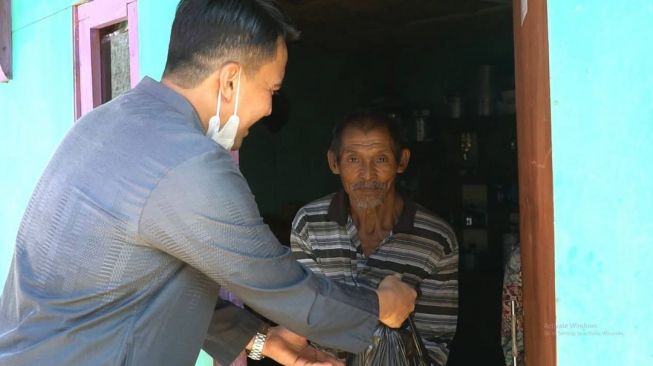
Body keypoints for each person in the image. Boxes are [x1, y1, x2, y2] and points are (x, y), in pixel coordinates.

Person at [0, 1, 417, 365]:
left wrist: (261, 339)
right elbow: (282, 286)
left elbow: (142, 290)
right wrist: (380, 306)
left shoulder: (105, 125)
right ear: (230, 80)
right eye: (271, 88)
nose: (271, 107)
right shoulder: (191, 164)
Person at [291, 111, 459, 365]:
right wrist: (382, 307)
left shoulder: (435, 239)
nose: (367, 174)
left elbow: (434, 342)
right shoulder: (310, 225)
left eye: (380, 159)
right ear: (334, 163)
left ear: (401, 162)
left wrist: (343, 312)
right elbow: (308, 318)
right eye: (353, 159)